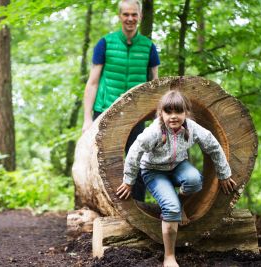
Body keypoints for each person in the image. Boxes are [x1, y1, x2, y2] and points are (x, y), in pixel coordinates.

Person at [116, 90, 236, 267]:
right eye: (168, 112)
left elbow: (214, 146)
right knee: (170, 208)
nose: (173, 116)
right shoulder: (154, 131)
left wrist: (224, 174)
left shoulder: (192, 128)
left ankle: (180, 205)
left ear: (186, 113)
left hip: (178, 166)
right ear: (161, 113)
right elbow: (134, 152)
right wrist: (128, 181)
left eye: (178, 112)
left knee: (195, 180)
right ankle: (169, 256)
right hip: (154, 171)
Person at [82, 0, 160, 201]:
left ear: (140, 17)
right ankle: (107, 208)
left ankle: (138, 210)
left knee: (139, 161)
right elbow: (92, 83)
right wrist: (86, 119)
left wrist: (157, 118)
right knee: (106, 164)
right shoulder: (105, 43)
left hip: (136, 114)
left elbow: (155, 85)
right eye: (126, 14)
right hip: (105, 111)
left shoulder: (149, 47)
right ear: (120, 16)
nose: (130, 19)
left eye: (134, 15)